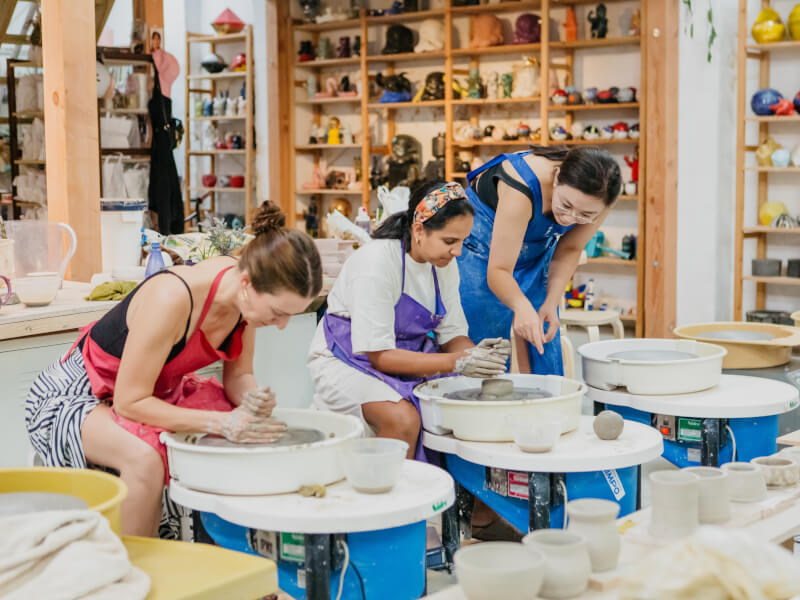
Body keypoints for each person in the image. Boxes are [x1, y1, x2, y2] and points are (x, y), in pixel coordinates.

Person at [26, 202, 322, 537]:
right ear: (246, 283)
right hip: (75, 396)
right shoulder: (171, 297)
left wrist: (252, 400)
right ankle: (136, 575)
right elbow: (129, 403)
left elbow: (238, 377)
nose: (281, 325)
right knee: (146, 459)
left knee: (249, 439)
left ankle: (226, 561)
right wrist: (221, 422)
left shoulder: (246, 303)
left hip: (154, 390)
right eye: (278, 312)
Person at [308, 180, 511, 460]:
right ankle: (388, 495)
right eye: (450, 241)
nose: (458, 252)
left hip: (405, 355)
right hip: (345, 358)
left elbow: (452, 335)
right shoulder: (377, 262)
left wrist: (480, 356)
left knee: (464, 406)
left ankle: (458, 496)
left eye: (463, 241)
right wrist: (459, 363)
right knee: (403, 419)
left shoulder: (444, 265)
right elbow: (380, 356)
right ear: (419, 230)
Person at [458, 146, 622, 374]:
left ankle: (550, 403)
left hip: (536, 245)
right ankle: (487, 404)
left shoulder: (603, 195)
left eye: (585, 215)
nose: (569, 219)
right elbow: (499, 270)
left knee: (545, 331)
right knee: (488, 344)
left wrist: (551, 302)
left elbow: (570, 248)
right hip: (483, 245)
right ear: (556, 178)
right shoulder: (521, 187)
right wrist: (520, 305)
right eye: (565, 205)